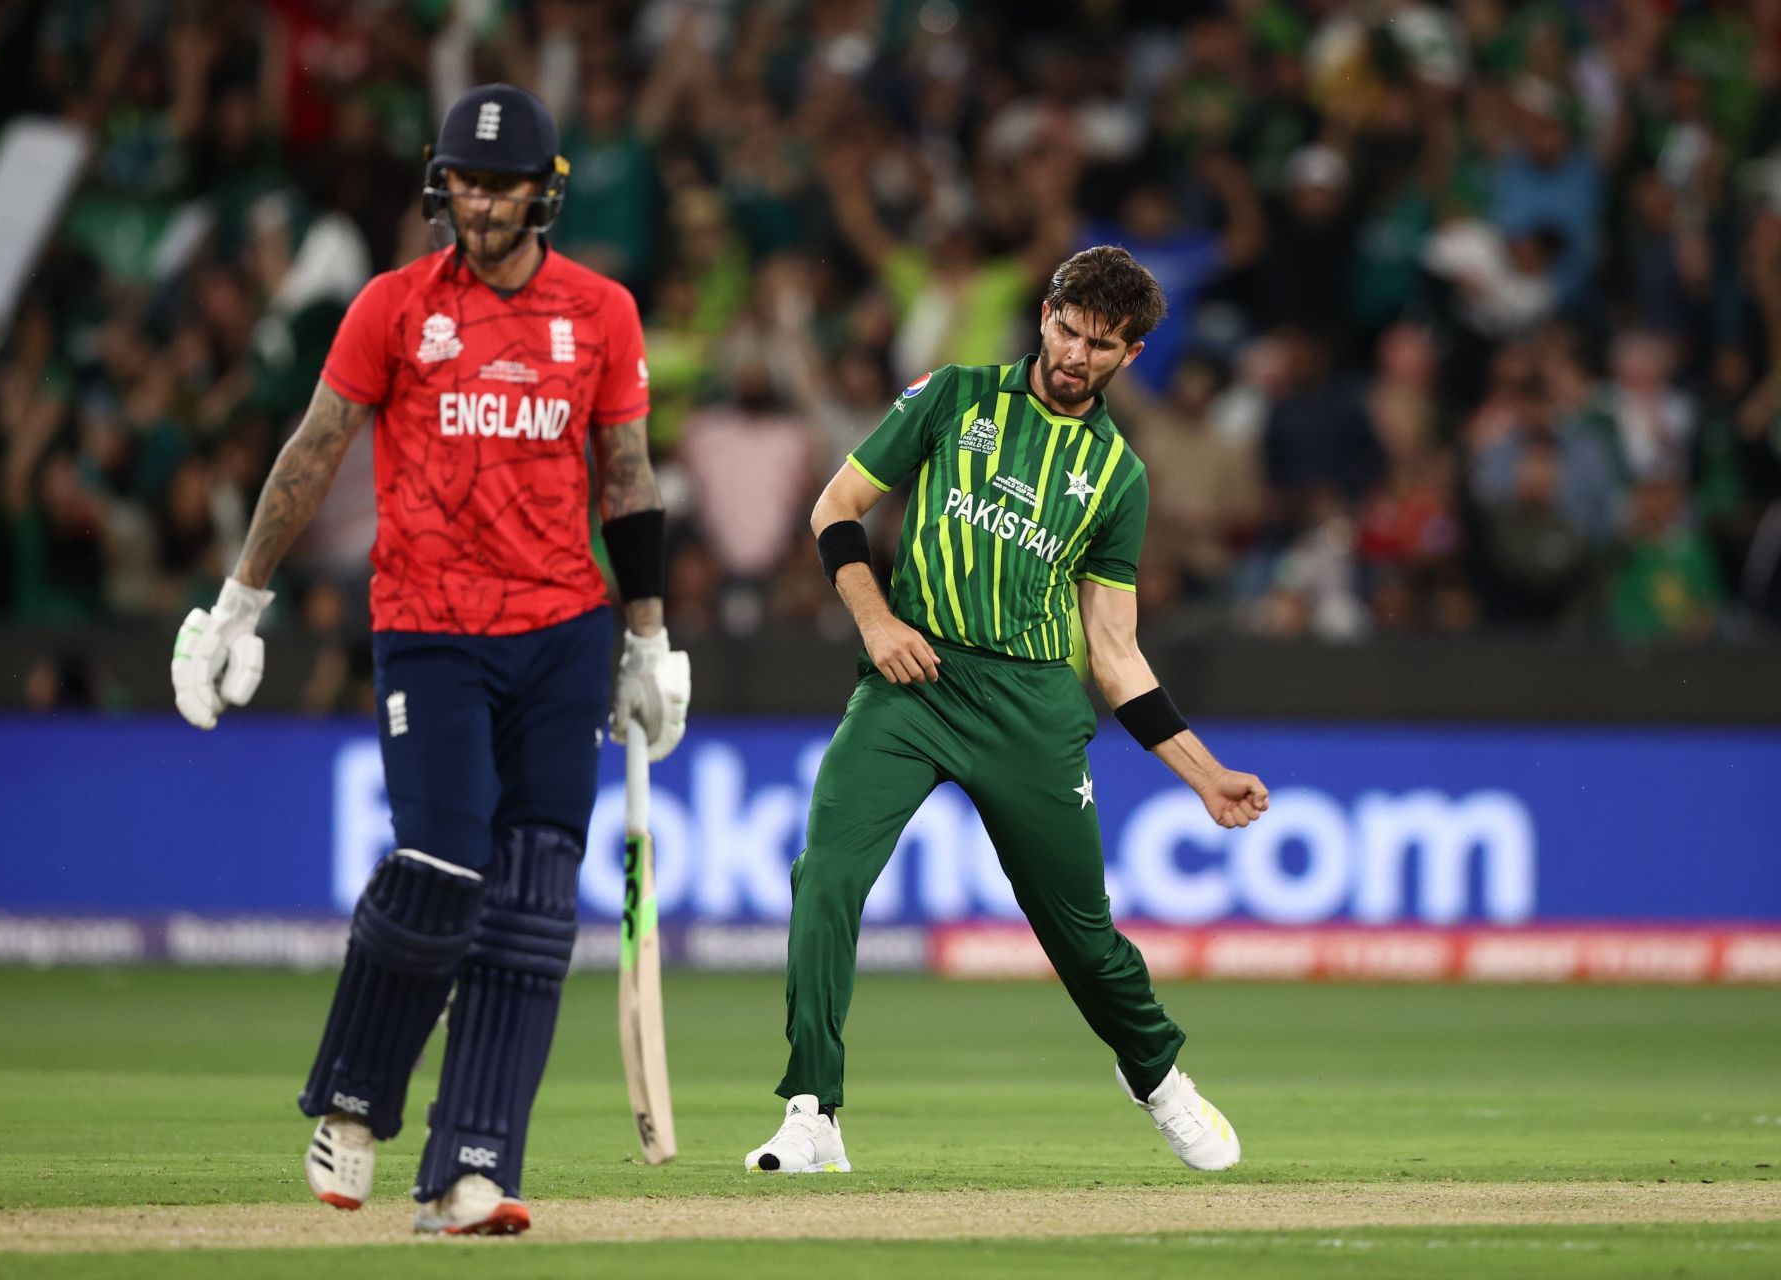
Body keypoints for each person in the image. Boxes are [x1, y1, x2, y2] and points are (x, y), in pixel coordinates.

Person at [169, 84, 689, 1236]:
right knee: (446, 864)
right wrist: (236, 605)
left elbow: (629, 477)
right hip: (431, 625)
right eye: (465, 178)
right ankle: (351, 1100)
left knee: (536, 901)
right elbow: (314, 449)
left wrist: (647, 636)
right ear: (437, 181)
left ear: (545, 193)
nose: (482, 200)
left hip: (562, 629)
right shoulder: (394, 308)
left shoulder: (600, 311)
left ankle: (473, 1169)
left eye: (503, 184)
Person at [746, 245, 1267, 1176]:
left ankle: (1160, 1078)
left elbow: (1114, 654)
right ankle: (811, 1108)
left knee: (1082, 939)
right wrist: (875, 621)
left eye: (1101, 345)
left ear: (1132, 355)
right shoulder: (953, 397)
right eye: (1066, 329)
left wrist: (1204, 774)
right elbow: (836, 507)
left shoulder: (1118, 479)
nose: (1075, 355)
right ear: (1044, 314)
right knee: (824, 877)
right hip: (913, 682)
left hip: (1031, 706)